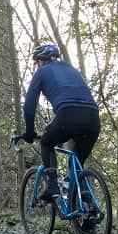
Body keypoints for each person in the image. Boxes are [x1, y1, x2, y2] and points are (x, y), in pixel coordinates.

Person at [20, 41, 100, 209]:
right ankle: (87, 210)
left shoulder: (42, 72)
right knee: (76, 164)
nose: (37, 65)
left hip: (68, 114)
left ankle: (52, 185)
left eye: (37, 62)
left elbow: (29, 106)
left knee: (47, 142)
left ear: (40, 60)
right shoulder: (72, 71)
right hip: (93, 118)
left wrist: (29, 132)